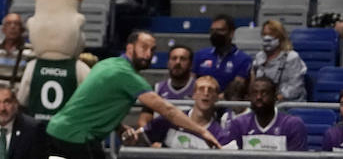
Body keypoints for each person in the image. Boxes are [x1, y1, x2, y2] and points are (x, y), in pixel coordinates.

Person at [46, 30, 221, 158]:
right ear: (130, 48)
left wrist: (119, 127)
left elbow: (96, 101)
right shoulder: (127, 75)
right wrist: (202, 132)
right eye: (144, 47)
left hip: (59, 131)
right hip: (75, 138)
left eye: (152, 50)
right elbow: (168, 110)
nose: (148, 54)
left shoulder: (107, 63)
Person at [138, 75, 227, 149]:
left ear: (216, 98)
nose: (206, 93)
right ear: (194, 95)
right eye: (201, 89)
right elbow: (141, 137)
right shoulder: (173, 119)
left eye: (210, 90)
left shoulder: (219, 134)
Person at [221, 77, 307, 150]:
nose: (259, 97)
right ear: (249, 97)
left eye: (264, 93)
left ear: (275, 97)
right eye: (255, 93)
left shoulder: (293, 125)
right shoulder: (239, 124)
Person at [192, 14, 252, 98]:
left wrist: (214, 99)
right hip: (201, 101)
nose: (215, 34)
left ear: (231, 33)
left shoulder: (243, 59)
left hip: (228, 104)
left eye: (220, 30)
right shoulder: (200, 55)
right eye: (212, 31)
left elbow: (236, 89)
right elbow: (192, 83)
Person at [251, 19, 307, 101]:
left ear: (280, 36)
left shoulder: (291, 57)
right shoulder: (259, 57)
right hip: (264, 102)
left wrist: (275, 99)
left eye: (271, 34)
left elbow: (296, 88)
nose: (267, 37)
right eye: (264, 34)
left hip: (287, 103)